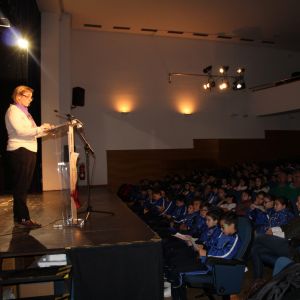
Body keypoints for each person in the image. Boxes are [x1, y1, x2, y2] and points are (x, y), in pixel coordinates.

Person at [5, 85, 52, 228]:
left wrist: (46, 130)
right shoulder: (13, 111)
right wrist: (40, 129)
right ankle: (23, 219)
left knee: (23, 186)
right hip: (20, 150)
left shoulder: (25, 112)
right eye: (28, 96)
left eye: (31, 97)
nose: (31, 100)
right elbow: (20, 132)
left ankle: (19, 219)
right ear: (18, 97)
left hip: (28, 150)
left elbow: (32, 132)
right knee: (21, 187)